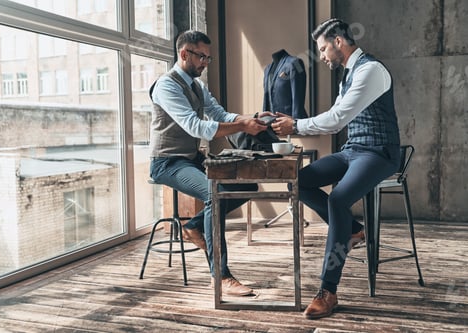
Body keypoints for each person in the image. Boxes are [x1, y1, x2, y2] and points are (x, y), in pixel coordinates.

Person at [271, 18, 401, 319]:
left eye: (323, 49)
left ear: (339, 42)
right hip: (353, 150)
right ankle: (354, 230)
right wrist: (289, 122)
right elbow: (337, 118)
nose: (322, 56)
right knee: (297, 181)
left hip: (379, 153)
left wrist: (297, 125)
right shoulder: (348, 75)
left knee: (338, 199)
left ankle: (328, 291)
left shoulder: (370, 70)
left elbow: (338, 118)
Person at [149, 30, 270, 296]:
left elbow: (220, 113)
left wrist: (254, 118)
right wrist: (242, 126)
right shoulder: (167, 86)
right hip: (167, 162)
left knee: (245, 187)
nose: (205, 62)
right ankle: (221, 276)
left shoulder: (197, 86)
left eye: (208, 58)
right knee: (214, 193)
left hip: (192, 159)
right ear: (184, 54)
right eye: (202, 57)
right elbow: (197, 127)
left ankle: (193, 226)